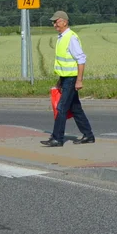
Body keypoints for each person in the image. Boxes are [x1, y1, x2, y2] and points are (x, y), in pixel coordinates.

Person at [41, 10, 95, 146]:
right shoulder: (61, 37)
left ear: (64, 22)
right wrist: (60, 80)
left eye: (56, 21)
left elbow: (81, 59)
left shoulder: (71, 37)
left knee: (61, 108)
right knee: (76, 108)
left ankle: (57, 138)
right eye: (53, 22)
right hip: (66, 78)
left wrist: (79, 80)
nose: (54, 25)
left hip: (72, 79)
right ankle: (88, 135)